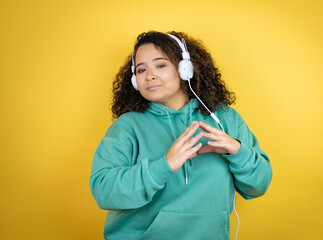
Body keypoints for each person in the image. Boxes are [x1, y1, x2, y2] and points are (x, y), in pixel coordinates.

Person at [90, 31, 272, 240]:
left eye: (160, 65)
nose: (149, 75)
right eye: (141, 69)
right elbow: (104, 191)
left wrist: (238, 152)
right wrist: (165, 165)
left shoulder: (225, 119)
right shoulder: (128, 126)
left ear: (186, 68)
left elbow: (259, 186)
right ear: (134, 79)